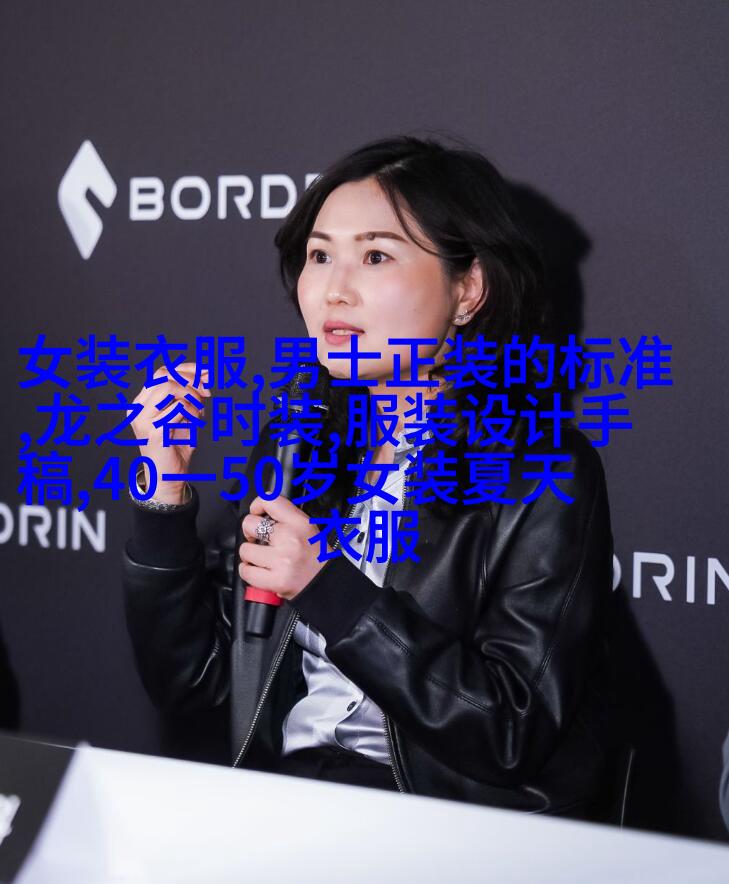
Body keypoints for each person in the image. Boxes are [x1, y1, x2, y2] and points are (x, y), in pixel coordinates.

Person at [122, 135, 615, 820]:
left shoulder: (540, 469)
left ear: (468, 289)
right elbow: (197, 683)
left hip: (444, 830)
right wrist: (164, 490)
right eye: (320, 256)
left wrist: (328, 586)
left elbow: (510, 731)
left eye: (376, 256)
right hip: (284, 802)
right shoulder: (299, 442)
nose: (334, 289)